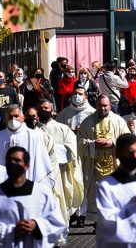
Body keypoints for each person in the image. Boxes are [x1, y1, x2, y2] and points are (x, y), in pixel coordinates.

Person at [0, 146, 66, 247]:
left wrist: (36, 226)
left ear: (26, 165)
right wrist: (11, 231)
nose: (12, 163)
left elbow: (58, 222)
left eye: (17, 160)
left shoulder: (42, 192)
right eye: (9, 160)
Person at [77, 94, 130, 225]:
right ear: (96, 106)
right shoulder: (87, 122)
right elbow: (79, 142)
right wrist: (93, 144)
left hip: (114, 166)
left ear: (110, 106)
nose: (103, 108)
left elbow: (127, 140)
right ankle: (98, 223)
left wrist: (113, 144)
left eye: (105, 105)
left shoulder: (119, 121)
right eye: (100, 105)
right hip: (94, 167)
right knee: (96, 195)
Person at [36, 99, 83, 243]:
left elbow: (71, 148)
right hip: (39, 176)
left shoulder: (62, 128)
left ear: (52, 110)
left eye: (47, 108)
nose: (44, 110)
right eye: (41, 108)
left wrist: (52, 150)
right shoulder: (32, 130)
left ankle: (60, 236)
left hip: (60, 174)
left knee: (59, 202)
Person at [0, 104, 55, 186]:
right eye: (10, 117)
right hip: (4, 186)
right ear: (5, 118)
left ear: (23, 117)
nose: (13, 119)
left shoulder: (33, 136)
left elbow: (40, 162)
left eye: (16, 116)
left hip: (28, 183)